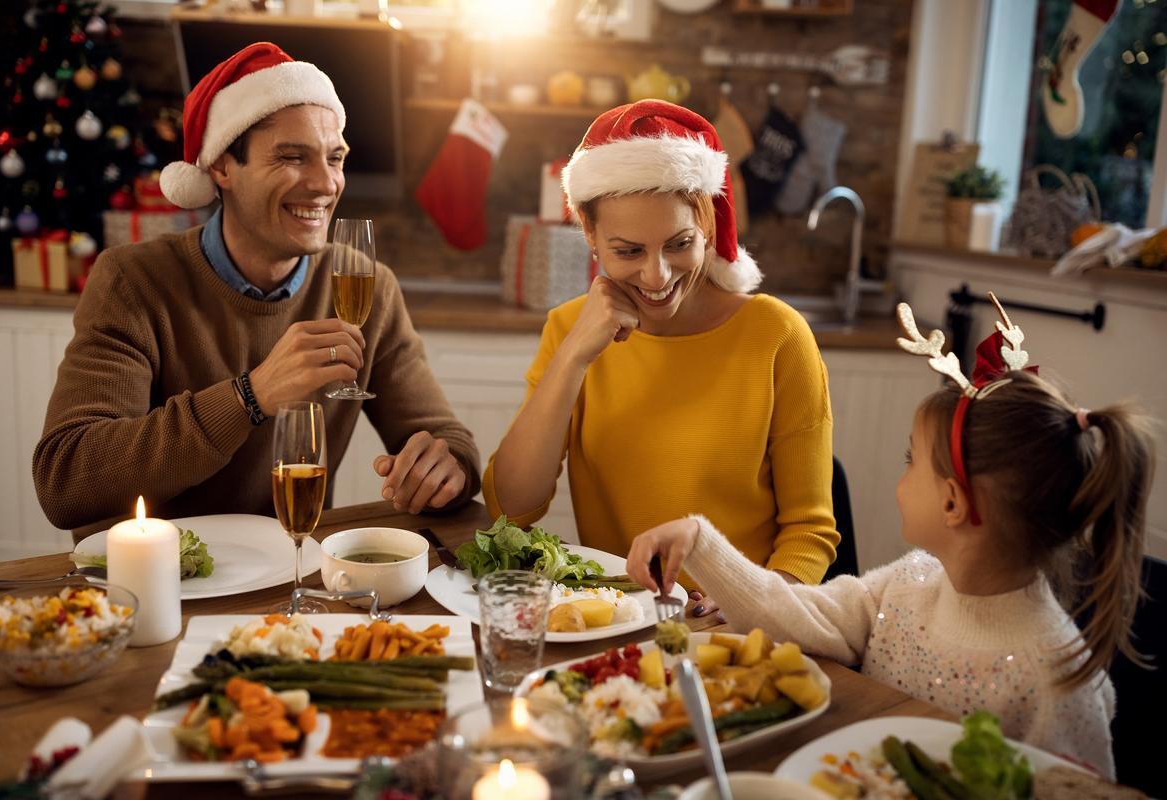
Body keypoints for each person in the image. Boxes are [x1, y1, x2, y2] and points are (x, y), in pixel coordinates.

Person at [627, 297, 1155, 777]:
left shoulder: (1055, 679)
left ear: (952, 502)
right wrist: (700, 539)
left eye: (912, 462)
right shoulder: (907, 586)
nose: (900, 478)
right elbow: (794, 614)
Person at [33, 43, 480, 537]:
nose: (326, 183)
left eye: (335, 158)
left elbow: (447, 440)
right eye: (292, 157)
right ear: (222, 167)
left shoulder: (366, 283)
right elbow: (66, 479)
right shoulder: (133, 281)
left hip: (289, 584)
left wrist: (446, 472)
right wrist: (251, 396)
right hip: (161, 584)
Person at [483, 100, 839, 607]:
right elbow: (511, 509)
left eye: (679, 244)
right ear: (589, 232)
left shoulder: (778, 335)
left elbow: (809, 533)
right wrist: (572, 359)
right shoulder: (569, 329)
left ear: (708, 223)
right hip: (617, 624)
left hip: (738, 628)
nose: (657, 276)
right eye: (628, 251)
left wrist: (754, 603)